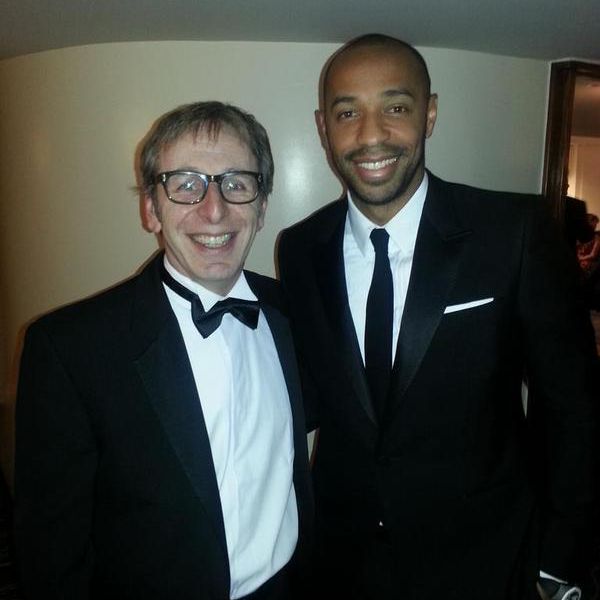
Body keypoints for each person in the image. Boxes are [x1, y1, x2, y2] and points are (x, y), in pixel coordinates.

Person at [277, 34, 598, 600]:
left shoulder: (514, 232)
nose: (370, 135)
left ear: (429, 114)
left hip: (487, 558)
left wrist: (558, 560)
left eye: (396, 108)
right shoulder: (301, 247)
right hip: (343, 560)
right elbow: (314, 394)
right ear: (323, 128)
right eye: (347, 113)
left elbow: (574, 406)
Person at [14, 101, 313, 600]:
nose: (213, 209)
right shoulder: (68, 350)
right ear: (151, 209)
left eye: (237, 183)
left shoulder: (292, 311)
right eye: (186, 184)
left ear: (261, 207)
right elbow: (50, 554)